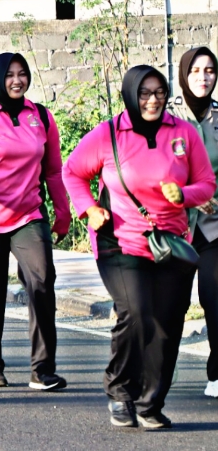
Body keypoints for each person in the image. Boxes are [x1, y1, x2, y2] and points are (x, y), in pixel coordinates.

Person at [64, 66, 215, 429]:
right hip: (120, 241)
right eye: (145, 93)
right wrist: (89, 208)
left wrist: (186, 195)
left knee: (168, 325)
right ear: (131, 94)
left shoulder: (182, 133)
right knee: (136, 312)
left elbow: (206, 184)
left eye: (159, 93)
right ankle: (119, 390)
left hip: (171, 243)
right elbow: (73, 172)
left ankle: (150, 402)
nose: (152, 100)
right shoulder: (108, 134)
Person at [0, 53, 70, 391]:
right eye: (10, 75)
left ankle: (43, 369)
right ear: (0, 77)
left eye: (22, 74)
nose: (17, 80)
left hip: (28, 215)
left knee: (42, 282)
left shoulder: (42, 117)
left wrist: (62, 213)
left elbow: (52, 170)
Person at [167, 47, 218, 398]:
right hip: (175, 227)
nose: (203, 76)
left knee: (216, 298)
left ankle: (217, 373)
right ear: (184, 74)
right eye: (196, 70)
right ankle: (156, 376)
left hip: (215, 226)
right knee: (171, 306)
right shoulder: (166, 117)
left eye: (210, 70)